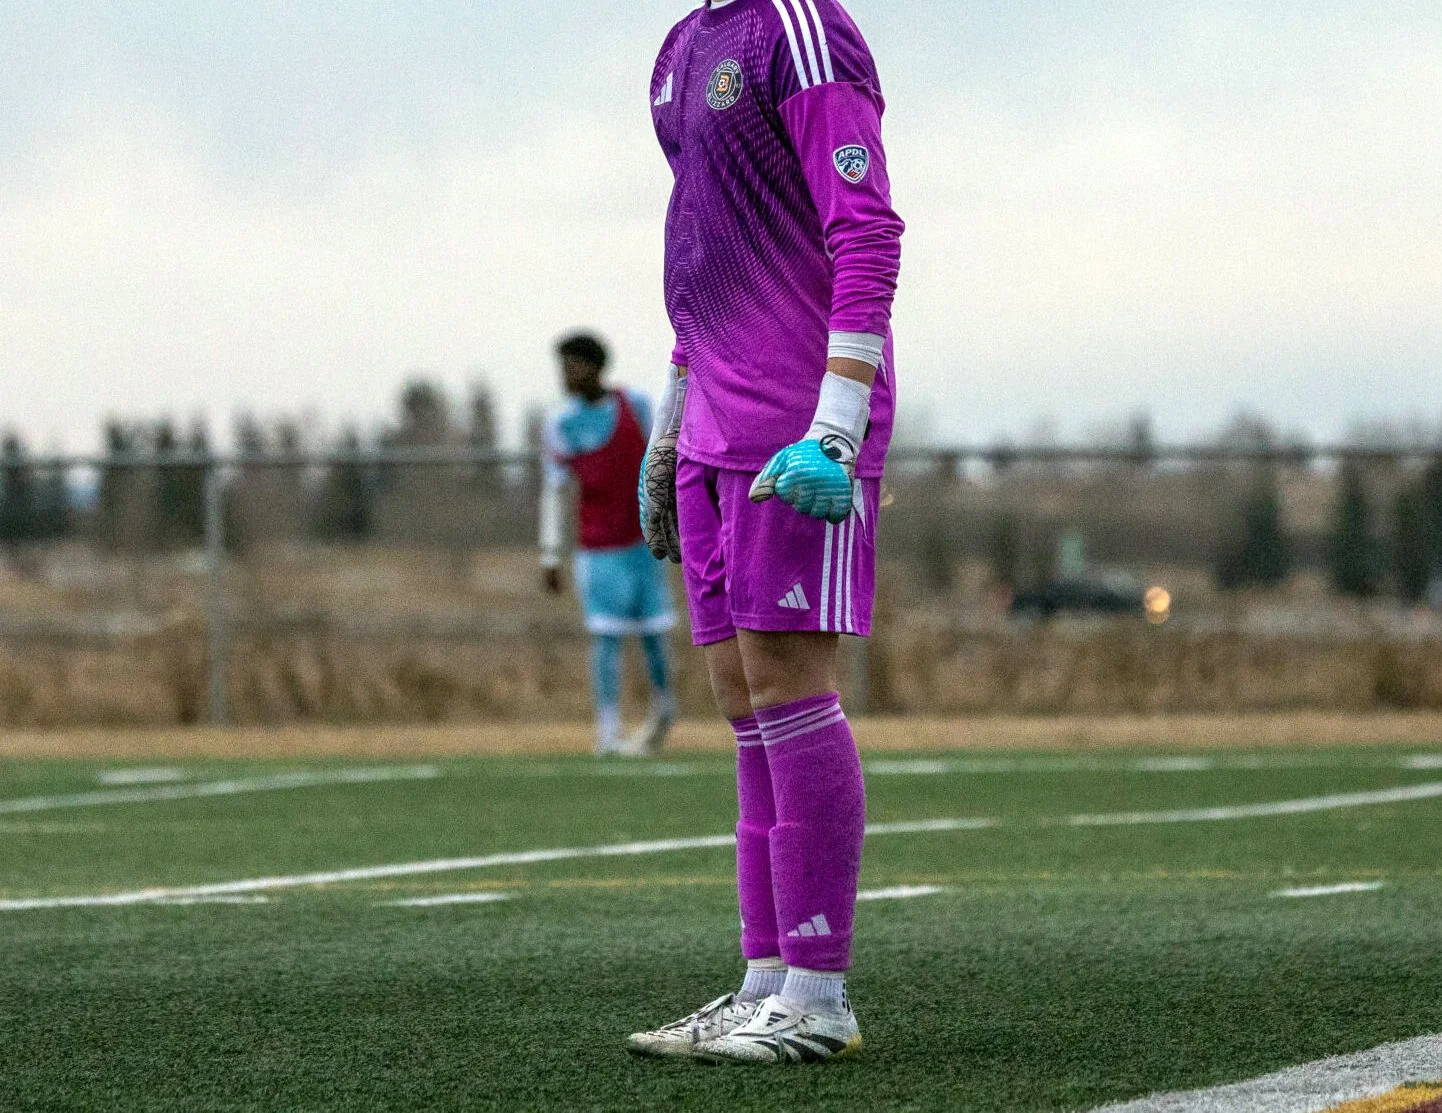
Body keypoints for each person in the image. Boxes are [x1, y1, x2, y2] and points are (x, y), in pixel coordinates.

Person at [628, 0, 903, 1065]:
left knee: (791, 686)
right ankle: (762, 984)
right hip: (709, 422)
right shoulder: (680, 50)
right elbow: (703, 256)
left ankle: (819, 997)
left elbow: (865, 228)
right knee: (741, 701)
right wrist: (667, 421)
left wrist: (834, 424)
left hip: (794, 423)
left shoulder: (800, 29)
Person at [540, 333, 678, 756]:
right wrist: (549, 552)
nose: (565, 374)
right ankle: (608, 732)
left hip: (644, 543)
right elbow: (553, 489)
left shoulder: (635, 404)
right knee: (606, 636)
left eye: (572, 365)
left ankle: (663, 713)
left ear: (595, 366)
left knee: (655, 634)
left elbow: (664, 457)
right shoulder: (560, 423)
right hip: (597, 549)